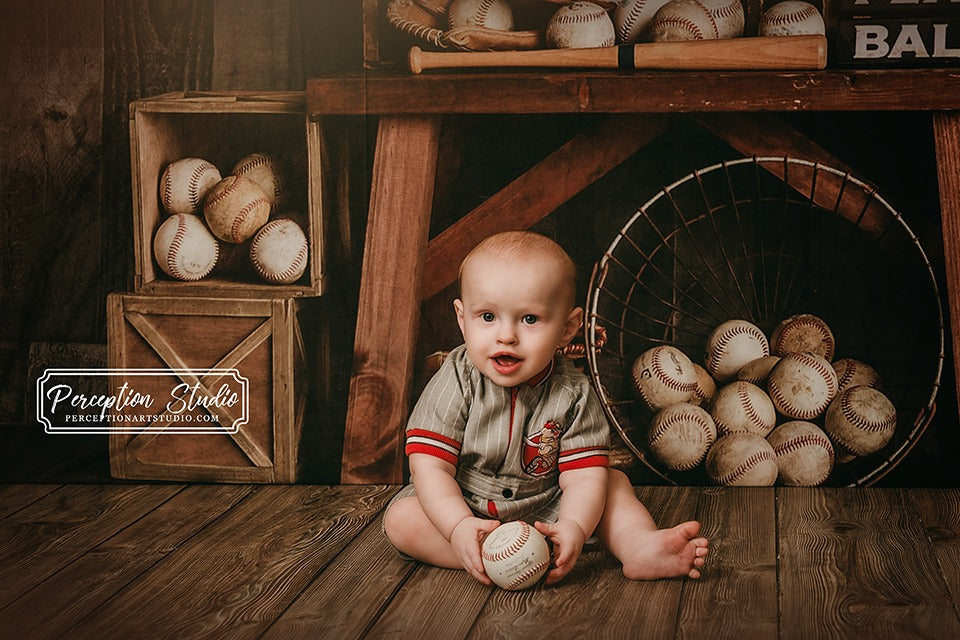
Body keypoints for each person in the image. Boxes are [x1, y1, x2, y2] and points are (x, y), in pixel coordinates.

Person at [383, 231, 708, 585]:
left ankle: (637, 545)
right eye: (488, 317)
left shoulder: (573, 393)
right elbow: (430, 467)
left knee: (610, 484)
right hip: (464, 502)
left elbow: (582, 478)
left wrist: (574, 526)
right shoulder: (457, 379)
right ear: (462, 319)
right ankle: (487, 558)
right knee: (402, 519)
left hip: (547, 507)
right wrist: (458, 525)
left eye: (530, 319)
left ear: (567, 328)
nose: (506, 335)